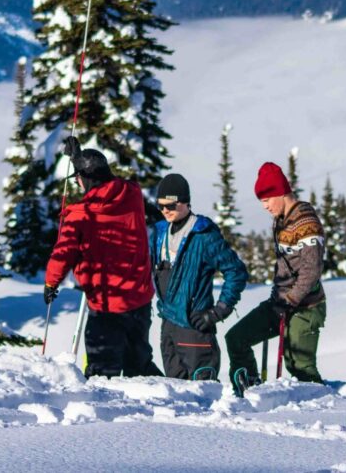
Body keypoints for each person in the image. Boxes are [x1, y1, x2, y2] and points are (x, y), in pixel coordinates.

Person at [44, 137, 161, 378]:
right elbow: (109, 183)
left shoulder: (80, 215)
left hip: (106, 304)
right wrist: (78, 160)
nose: (77, 184)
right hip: (140, 300)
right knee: (139, 369)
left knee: (100, 373)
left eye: (78, 179)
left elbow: (63, 252)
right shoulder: (133, 195)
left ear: (84, 178)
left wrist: (50, 283)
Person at [226, 162, 326, 391]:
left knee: (300, 367)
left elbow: (311, 271)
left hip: (305, 307)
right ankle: (249, 390)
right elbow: (284, 266)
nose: (264, 206)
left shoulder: (306, 223)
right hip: (280, 302)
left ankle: (324, 405)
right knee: (236, 338)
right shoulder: (280, 222)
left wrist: (288, 301)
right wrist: (277, 300)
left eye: (266, 199)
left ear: (280, 193)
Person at [150, 172, 248, 380]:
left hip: (195, 328)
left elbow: (236, 271)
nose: (165, 211)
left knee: (204, 399)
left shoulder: (204, 234)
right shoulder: (159, 233)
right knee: (176, 399)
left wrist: (218, 311)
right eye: (161, 206)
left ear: (185, 202)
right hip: (168, 327)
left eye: (171, 205)